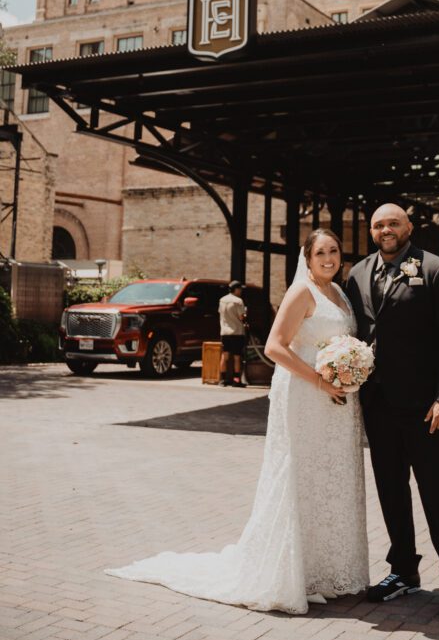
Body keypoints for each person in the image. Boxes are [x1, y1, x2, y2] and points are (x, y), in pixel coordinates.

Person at [106, 229, 369, 614]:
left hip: (337, 401)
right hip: (305, 396)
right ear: (307, 259)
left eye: (333, 251)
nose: (328, 258)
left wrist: (348, 370)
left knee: (329, 481)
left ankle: (325, 570)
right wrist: (318, 379)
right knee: (301, 478)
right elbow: (274, 347)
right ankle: (295, 572)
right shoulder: (303, 293)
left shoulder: (341, 294)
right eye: (320, 253)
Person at [346, 203, 439, 625]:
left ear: (409, 228)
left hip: (425, 408)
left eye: (393, 223)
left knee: (438, 493)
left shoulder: (437, 270)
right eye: (378, 224)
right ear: (371, 231)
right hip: (377, 405)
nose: (386, 230)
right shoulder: (358, 273)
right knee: (391, 491)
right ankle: (403, 569)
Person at [218, 280, 246, 387]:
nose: (241, 291)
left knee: (224, 356)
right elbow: (241, 316)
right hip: (237, 332)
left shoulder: (222, 300)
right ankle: (236, 380)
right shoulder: (238, 301)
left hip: (224, 332)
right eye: (240, 289)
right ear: (236, 289)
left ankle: (223, 380)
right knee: (237, 357)